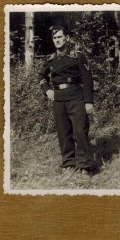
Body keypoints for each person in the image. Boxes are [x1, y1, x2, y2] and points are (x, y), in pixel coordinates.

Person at [39, 25, 98, 174]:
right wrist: (47, 90)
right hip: (58, 99)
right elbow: (41, 77)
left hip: (76, 97)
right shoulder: (50, 60)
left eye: (59, 37)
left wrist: (88, 101)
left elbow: (87, 79)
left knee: (79, 132)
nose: (57, 40)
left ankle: (85, 165)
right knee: (63, 133)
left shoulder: (77, 56)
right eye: (54, 38)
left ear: (67, 38)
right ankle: (69, 164)